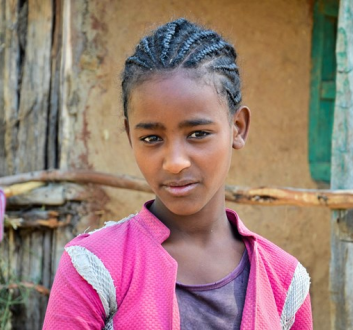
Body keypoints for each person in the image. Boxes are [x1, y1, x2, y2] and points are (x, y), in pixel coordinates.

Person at [43, 18, 312, 330]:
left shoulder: (286, 282)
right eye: (152, 139)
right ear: (130, 136)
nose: (174, 162)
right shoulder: (94, 266)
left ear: (237, 128)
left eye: (198, 134)